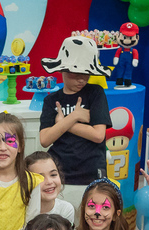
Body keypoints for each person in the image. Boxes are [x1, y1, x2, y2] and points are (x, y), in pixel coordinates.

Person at [38, 35, 111, 206]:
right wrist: (76, 116)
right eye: (76, 73)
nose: (81, 79)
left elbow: (98, 135)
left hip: (92, 172)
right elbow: (45, 139)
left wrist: (64, 123)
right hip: (60, 175)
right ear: (63, 69)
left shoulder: (95, 93)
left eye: (86, 74)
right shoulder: (51, 100)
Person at [25, 151, 77, 223]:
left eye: (53, 175)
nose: (49, 182)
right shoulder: (21, 211)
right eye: (40, 178)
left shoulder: (65, 209)